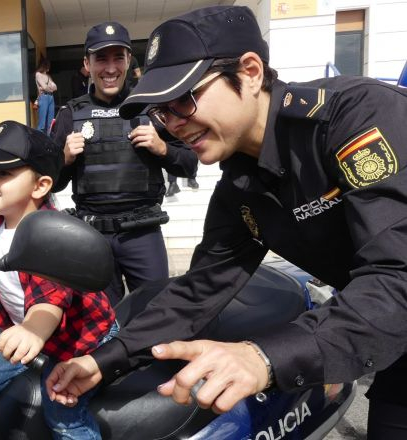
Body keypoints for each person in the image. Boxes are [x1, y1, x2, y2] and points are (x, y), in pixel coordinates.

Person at [46, 6, 407, 438]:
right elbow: (200, 290)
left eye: (184, 99)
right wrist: (102, 360)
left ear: (251, 72)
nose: (173, 124)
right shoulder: (241, 181)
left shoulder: (356, 119)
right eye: (161, 111)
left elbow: (398, 275)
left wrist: (264, 357)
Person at [0, 121, 118, 439]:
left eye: (3, 173)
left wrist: (32, 329)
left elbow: (51, 299)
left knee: (61, 407)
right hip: (24, 336)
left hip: (80, 342)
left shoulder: (48, 236)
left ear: (41, 186)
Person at [50, 21, 198, 305]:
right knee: (102, 325)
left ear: (129, 60)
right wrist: (65, 159)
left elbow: (190, 165)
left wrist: (163, 148)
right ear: (87, 63)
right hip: (92, 238)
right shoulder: (71, 114)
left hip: (142, 234)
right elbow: (52, 182)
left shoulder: (153, 107)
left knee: (156, 315)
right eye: (101, 58)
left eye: (118, 57)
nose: (110, 68)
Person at [35, 57, 57, 134]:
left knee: (50, 122)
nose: (49, 68)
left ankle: (48, 141)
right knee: (42, 123)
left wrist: (47, 88)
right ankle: (39, 141)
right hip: (44, 97)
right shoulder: (38, 74)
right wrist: (49, 87)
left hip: (50, 97)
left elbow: (55, 87)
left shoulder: (48, 76)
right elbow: (46, 87)